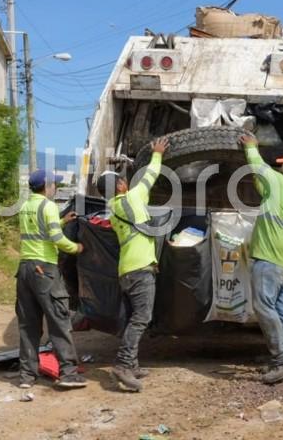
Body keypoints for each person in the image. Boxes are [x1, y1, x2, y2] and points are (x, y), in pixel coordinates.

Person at [96, 137, 169, 392]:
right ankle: (124, 365)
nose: (125, 181)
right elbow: (150, 175)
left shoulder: (113, 208)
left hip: (126, 270)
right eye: (121, 179)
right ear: (119, 186)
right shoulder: (133, 199)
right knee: (141, 318)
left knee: (131, 318)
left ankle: (133, 363)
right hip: (140, 270)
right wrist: (157, 154)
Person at [239, 134, 283, 384]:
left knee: (264, 307)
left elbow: (259, 168)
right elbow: (263, 186)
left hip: (269, 260)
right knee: (281, 311)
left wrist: (250, 148)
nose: (279, 168)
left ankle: (282, 360)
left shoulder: (282, 185)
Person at [16, 169, 86, 389]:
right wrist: (76, 248)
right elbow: (56, 239)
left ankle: (27, 376)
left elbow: (40, 232)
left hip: (25, 269)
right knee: (58, 320)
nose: (55, 187)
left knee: (29, 324)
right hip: (44, 269)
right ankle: (68, 373)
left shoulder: (26, 206)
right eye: (53, 184)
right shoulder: (48, 206)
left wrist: (62, 221)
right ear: (45, 186)